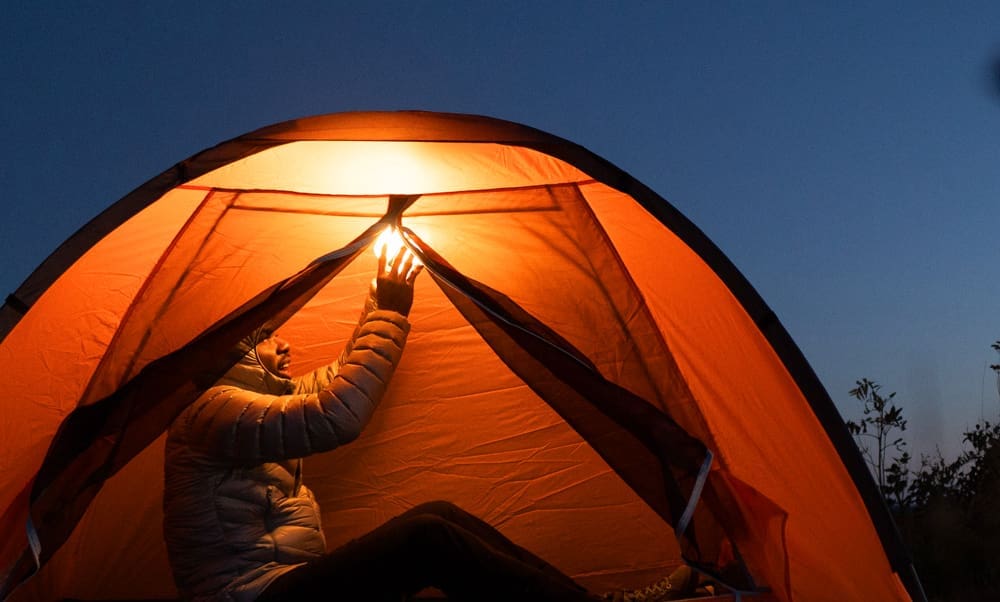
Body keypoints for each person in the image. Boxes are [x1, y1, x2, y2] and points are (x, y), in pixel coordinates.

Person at [163, 245, 601, 601]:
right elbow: (337, 415)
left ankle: (583, 599)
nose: (285, 341)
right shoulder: (212, 412)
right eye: (266, 335)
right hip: (251, 596)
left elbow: (341, 378)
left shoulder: (257, 402)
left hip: (283, 585)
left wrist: (379, 302)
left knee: (439, 514)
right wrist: (388, 314)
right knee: (425, 538)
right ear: (235, 349)